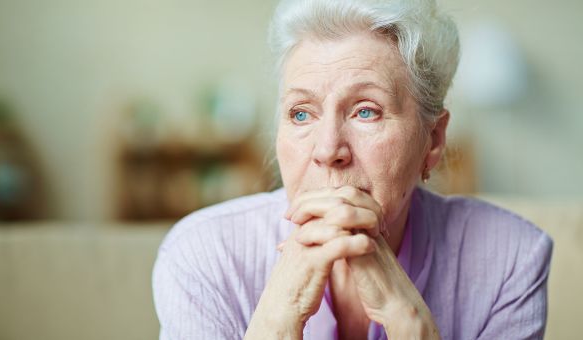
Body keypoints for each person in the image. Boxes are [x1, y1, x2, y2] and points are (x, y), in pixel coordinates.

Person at [152, 0, 553, 338]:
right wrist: (278, 318)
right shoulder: (201, 257)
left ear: (432, 141)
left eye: (366, 111)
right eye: (301, 113)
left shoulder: (511, 259)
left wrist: (408, 320)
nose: (328, 150)